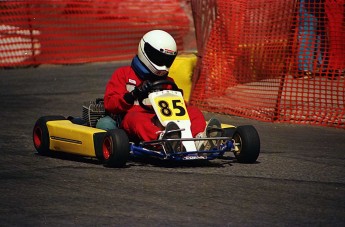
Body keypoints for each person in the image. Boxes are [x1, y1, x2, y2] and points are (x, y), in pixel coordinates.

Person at [99, 29, 221, 151]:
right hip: (132, 120)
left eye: (166, 59)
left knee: (194, 112)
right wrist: (133, 94)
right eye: (158, 57)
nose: (162, 64)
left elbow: (178, 108)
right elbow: (110, 103)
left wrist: (179, 100)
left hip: (163, 120)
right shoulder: (123, 74)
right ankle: (162, 140)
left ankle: (199, 139)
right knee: (135, 118)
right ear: (145, 51)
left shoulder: (168, 81)